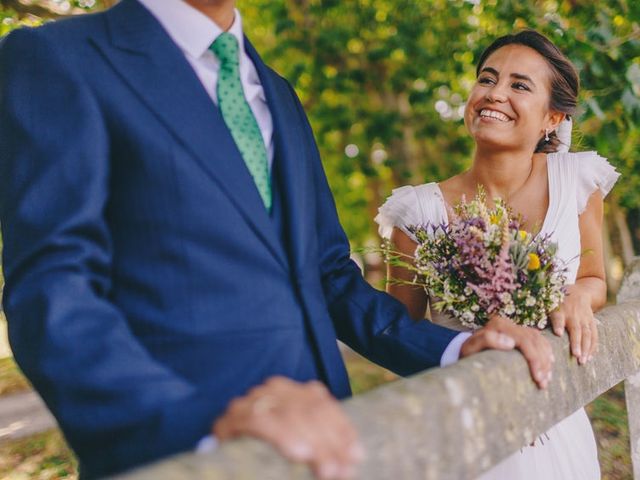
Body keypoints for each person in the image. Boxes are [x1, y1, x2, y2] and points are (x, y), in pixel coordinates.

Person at [0, 2, 553, 478]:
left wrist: (453, 348)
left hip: (327, 446)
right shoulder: (58, 60)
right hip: (181, 458)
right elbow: (54, 294)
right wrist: (199, 428)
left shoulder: (277, 94)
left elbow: (330, 275)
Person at [376, 30, 619, 479]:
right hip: (463, 434)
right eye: (487, 79)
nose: (494, 94)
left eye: (519, 85)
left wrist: (577, 297)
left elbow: (594, 279)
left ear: (552, 117)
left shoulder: (579, 181)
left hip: (556, 422)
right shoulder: (417, 211)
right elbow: (399, 333)